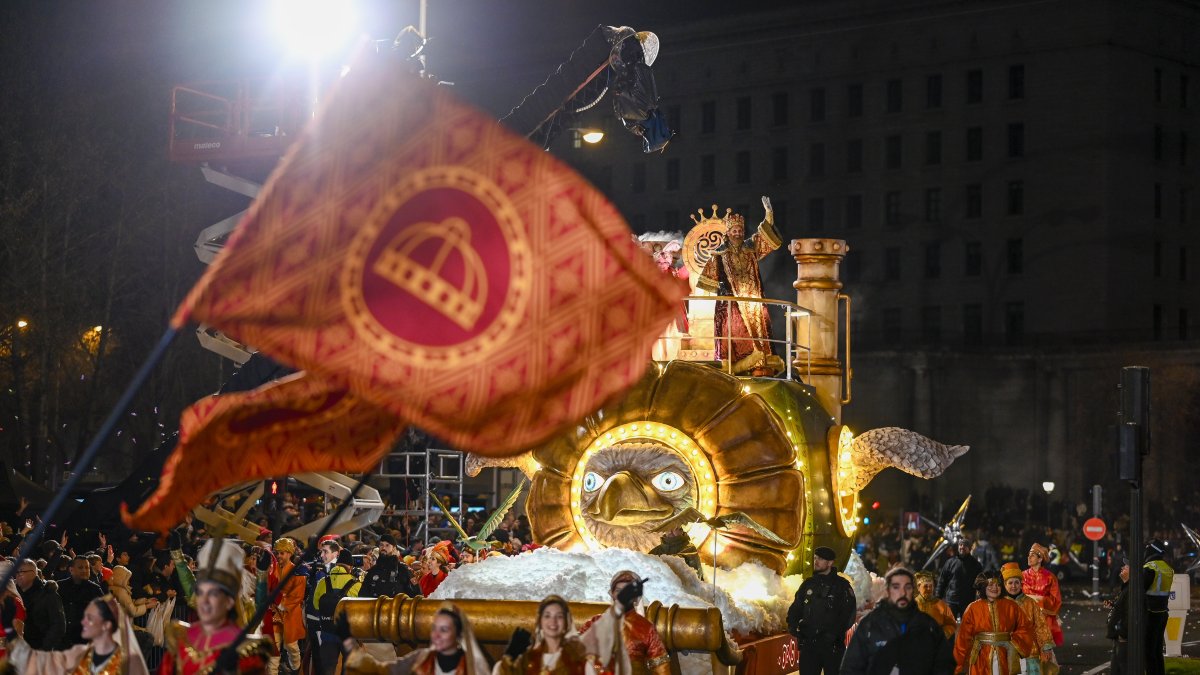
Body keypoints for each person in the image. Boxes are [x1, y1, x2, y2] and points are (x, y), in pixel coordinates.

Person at [696, 196, 784, 375]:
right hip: (732, 302)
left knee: (761, 328)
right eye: (734, 231)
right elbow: (707, 281)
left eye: (740, 231)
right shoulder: (719, 254)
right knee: (735, 331)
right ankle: (740, 366)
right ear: (728, 233)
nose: (737, 234)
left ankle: (762, 363)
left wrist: (769, 214)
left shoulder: (751, 248)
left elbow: (766, 238)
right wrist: (721, 287)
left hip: (753, 300)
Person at [159, 538, 272, 674]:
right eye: (201, 593)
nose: (205, 601)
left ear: (229, 601)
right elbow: (189, 585)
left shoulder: (247, 651)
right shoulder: (183, 639)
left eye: (214, 594)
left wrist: (262, 576)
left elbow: (260, 607)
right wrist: (177, 554)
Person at [841, 567, 954, 675]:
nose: (902, 593)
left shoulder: (928, 625)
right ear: (888, 591)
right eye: (896, 587)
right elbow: (851, 666)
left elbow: (944, 664)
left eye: (907, 587)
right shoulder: (870, 624)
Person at [6, 595, 150, 674]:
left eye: (91, 619)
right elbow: (37, 660)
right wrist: (10, 631)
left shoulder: (130, 661)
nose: (84, 622)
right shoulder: (78, 653)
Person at [343, 602, 491, 675]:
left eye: (444, 630)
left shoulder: (474, 667)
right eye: (434, 628)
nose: (437, 635)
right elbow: (384, 670)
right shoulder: (421, 658)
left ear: (458, 634)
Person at [578, 571, 670, 675]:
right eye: (618, 590)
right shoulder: (595, 623)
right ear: (612, 594)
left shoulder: (646, 628)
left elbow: (661, 668)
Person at [785, 546, 855, 675]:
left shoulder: (842, 586)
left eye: (821, 559)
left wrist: (833, 634)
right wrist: (793, 625)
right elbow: (796, 607)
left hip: (832, 647)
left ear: (830, 563)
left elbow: (849, 615)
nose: (816, 561)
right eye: (815, 558)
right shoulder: (808, 584)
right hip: (809, 646)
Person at [954, 572, 1036, 675]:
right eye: (991, 585)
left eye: (998, 585)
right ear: (983, 587)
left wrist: (1013, 644)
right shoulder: (973, 608)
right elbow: (963, 638)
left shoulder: (1011, 606)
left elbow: (1026, 627)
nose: (995, 588)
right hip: (980, 657)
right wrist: (959, 665)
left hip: (1005, 655)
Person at [495, 595, 588, 675]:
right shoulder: (527, 660)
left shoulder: (577, 661)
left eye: (559, 616)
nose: (553, 621)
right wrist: (509, 657)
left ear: (566, 623)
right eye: (547, 616)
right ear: (540, 622)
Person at [1001, 562, 1056, 674]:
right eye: (1010, 583)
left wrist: (1046, 646)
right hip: (1006, 651)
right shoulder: (1000, 604)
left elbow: (1040, 625)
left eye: (1016, 582)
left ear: (1021, 584)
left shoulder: (1030, 603)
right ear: (1005, 585)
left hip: (1031, 651)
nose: (1013, 586)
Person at [312, 558, 362, 672]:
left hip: (327, 633)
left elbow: (315, 605)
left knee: (328, 668)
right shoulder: (356, 584)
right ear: (349, 567)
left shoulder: (322, 582)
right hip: (348, 635)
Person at [270, 537, 306, 675]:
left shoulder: (298, 572)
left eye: (282, 553)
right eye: (277, 553)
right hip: (274, 612)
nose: (278, 556)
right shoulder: (272, 570)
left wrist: (282, 602)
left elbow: (298, 595)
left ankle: (296, 670)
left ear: (290, 553)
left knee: (291, 646)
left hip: (289, 612)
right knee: (274, 646)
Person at [14, 558, 65, 651]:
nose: (17, 575)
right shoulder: (14, 594)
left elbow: (58, 625)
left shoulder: (48, 594)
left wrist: (44, 648)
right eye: (16, 572)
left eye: (21, 572)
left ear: (33, 573)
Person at [1022, 544, 1064, 647]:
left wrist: (1039, 599)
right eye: (1028, 555)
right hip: (1024, 617)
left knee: (1044, 652)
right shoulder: (1021, 576)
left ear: (1040, 559)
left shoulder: (1050, 577)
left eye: (1032, 555)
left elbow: (1056, 600)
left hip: (1043, 619)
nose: (1029, 558)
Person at [57, 555, 104, 646]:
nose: (84, 570)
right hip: (63, 640)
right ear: (71, 570)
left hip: (85, 641)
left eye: (87, 567)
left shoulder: (95, 589)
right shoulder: (60, 586)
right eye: (80, 567)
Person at [1143, 540, 1174, 675]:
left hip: (1150, 613)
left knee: (1148, 652)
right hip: (1162, 613)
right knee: (1157, 651)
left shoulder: (1150, 567)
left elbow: (1140, 589)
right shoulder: (1167, 568)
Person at [937, 539, 983, 619]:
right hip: (951, 600)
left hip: (967, 601)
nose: (962, 547)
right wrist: (938, 596)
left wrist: (982, 598)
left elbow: (980, 583)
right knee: (949, 626)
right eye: (960, 545)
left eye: (965, 545)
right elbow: (942, 580)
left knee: (967, 627)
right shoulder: (950, 562)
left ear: (970, 548)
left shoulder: (976, 564)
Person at [914, 571, 957, 639]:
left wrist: (941, 635)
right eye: (926, 586)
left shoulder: (941, 605)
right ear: (918, 587)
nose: (929, 589)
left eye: (931, 586)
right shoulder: (912, 605)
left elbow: (951, 624)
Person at [1104, 564, 1130, 675]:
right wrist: (1114, 604)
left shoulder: (1130, 589)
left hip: (1122, 636)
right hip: (1117, 635)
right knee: (1116, 666)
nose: (1122, 568)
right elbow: (1122, 607)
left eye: (1126, 567)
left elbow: (1129, 613)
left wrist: (1122, 634)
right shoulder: (1125, 587)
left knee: (1121, 666)